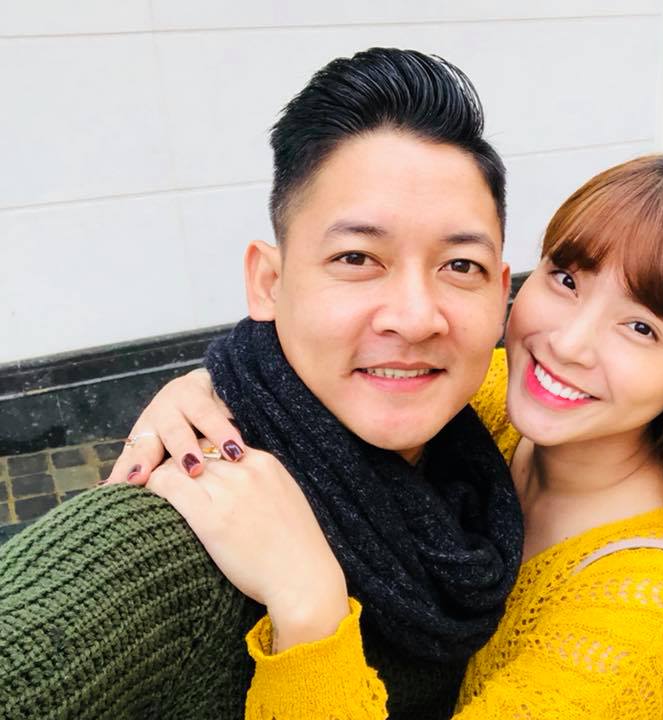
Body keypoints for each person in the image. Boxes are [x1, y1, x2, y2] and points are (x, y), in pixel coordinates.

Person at [125, 155, 663, 719]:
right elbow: (342, 373)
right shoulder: (498, 399)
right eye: (566, 280)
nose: (568, 343)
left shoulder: (638, 622)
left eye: (641, 327)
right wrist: (214, 387)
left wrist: (307, 606)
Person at [0, 48, 525, 720]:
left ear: (501, 296)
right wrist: (306, 608)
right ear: (269, 283)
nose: (417, 317)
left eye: (460, 265)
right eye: (357, 257)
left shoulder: (480, 460)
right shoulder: (172, 536)